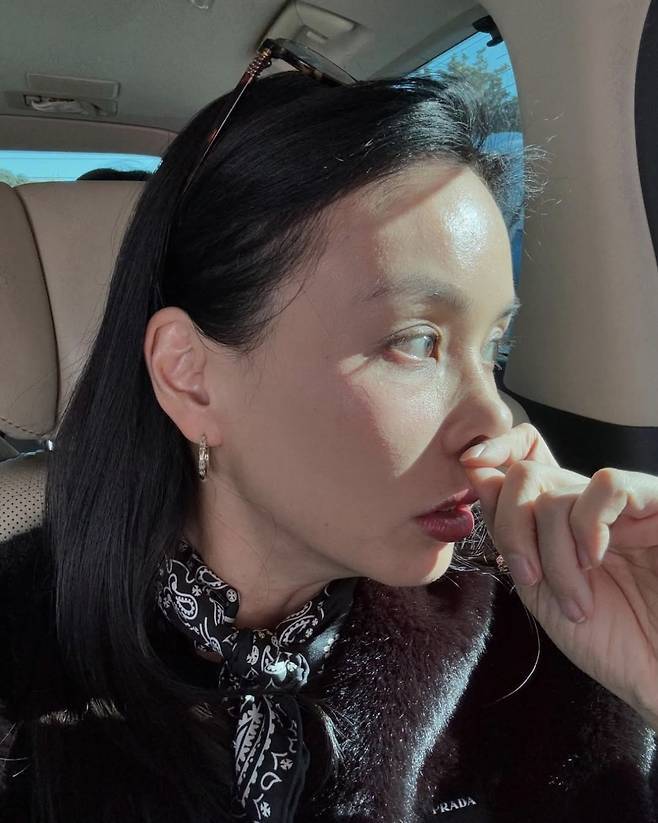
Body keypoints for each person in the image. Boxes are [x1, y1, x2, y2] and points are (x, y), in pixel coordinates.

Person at [1, 53, 657, 823]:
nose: (498, 420)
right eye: (415, 340)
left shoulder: (544, 630)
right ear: (191, 377)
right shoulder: (20, 660)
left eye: (492, 347)